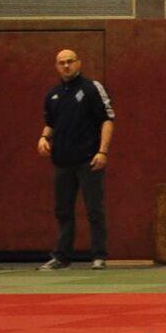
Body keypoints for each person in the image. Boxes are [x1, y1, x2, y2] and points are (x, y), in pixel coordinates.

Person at [37, 47, 114, 269]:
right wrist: (43, 138)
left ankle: (99, 255)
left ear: (79, 63)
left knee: (94, 210)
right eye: (62, 62)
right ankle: (62, 256)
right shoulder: (52, 95)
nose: (66, 66)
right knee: (63, 211)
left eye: (70, 61)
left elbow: (107, 120)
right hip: (62, 161)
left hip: (89, 159)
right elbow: (50, 123)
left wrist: (103, 151)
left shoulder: (92, 88)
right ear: (56, 66)